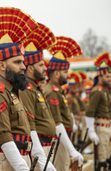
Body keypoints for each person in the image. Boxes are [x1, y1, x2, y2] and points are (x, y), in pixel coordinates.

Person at [0, 7, 38, 171]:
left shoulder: (11, 92)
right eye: (18, 62)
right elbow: (4, 136)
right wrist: (22, 167)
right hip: (7, 162)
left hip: (19, 159)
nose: (23, 67)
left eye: (23, 61)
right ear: (1, 65)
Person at [19, 22, 57, 171]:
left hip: (47, 146)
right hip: (38, 147)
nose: (45, 68)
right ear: (29, 68)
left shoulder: (35, 88)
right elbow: (30, 123)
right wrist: (40, 155)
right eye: (41, 65)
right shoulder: (27, 89)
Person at [43, 36, 84, 171]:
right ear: (56, 73)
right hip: (59, 139)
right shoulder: (52, 91)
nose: (68, 75)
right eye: (65, 72)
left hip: (63, 138)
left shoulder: (57, 90)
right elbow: (57, 122)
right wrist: (72, 149)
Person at [85, 52, 111, 170]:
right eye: (107, 77)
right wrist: (91, 130)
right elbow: (90, 111)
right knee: (101, 160)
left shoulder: (105, 91)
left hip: (107, 126)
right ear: (100, 77)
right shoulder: (97, 91)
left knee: (107, 157)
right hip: (101, 127)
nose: (110, 79)